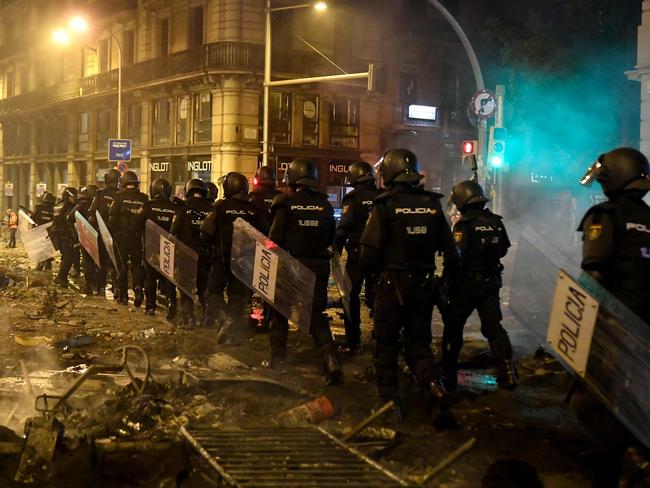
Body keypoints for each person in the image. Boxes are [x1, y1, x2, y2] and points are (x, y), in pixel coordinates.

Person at [360, 148, 458, 418]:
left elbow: (368, 252)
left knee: (385, 346)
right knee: (418, 345)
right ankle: (436, 389)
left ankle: (390, 405)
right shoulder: (433, 204)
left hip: (392, 288)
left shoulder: (385, 205)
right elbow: (452, 252)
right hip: (424, 288)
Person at [573, 147, 650, 476]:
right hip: (646, 324)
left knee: (589, 398)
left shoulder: (604, 216)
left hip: (615, 323)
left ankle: (624, 460)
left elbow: (594, 275)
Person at [266, 158, 342, 384]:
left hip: (291, 265)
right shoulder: (324, 205)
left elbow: (274, 239)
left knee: (280, 312)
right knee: (315, 315)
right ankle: (329, 359)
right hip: (318, 268)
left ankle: (277, 359)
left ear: (292, 177)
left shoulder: (285, 203)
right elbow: (331, 237)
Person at [442, 180, 516, 390]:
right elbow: (503, 250)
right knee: (493, 327)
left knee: (454, 327)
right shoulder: (496, 221)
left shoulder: (463, 225)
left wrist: (448, 285)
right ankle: (508, 372)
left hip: (467, 285)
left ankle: (448, 372)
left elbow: (455, 258)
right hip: (491, 283)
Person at [202, 172, 265, 340]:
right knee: (236, 298)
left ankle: (224, 318)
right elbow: (264, 236)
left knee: (212, 293)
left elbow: (205, 233)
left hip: (222, 260)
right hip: (245, 262)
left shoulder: (220, 207)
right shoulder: (254, 209)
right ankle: (233, 335)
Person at [335, 161, 380, 352]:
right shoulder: (381, 197)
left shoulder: (353, 199)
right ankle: (381, 340)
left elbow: (343, 228)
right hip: (379, 257)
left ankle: (353, 341)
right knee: (378, 298)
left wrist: (335, 252)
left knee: (350, 296)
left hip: (357, 257)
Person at [170, 178, 213, 328]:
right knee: (205, 286)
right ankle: (207, 317)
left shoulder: (183, 209)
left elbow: (173, 232)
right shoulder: (211, 208)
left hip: (186, 254)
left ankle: (189, 320)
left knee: (185, 287)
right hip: (206, 254)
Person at [136, 178, 178, 319]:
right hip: (168, 248)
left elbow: (136, 224)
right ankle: (171, 304)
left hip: (150, 247)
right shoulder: (175, 207)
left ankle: (150, 306)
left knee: (150, 278)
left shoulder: (148, 206)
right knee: (169, 278)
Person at [108, 171, 148, 306]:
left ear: (124, 183)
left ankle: (123, 296)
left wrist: (112, 234)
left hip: (121, 237)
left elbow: (112, 217)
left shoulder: (118, 197)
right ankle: (138, 288)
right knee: (137, 264)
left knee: (122, 265)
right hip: (137, 237)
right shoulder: (143, 198)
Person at [249, 165, 281, 328]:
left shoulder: (254, 197)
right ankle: (270, 317)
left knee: (258, 281)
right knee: (272, 282)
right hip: (276, 246)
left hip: (259, 244)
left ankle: (255, 318)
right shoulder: (280, 197)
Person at [90, 168, 121, 298]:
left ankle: (101, 287)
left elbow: (92, 212)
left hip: (101, 233)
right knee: (117, 262)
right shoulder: (121, 195)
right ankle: (117, 288)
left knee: (101, 262)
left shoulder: (100, 194)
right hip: (117, 235)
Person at [69, 185, 101, 295]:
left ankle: (90, 285)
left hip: (86, 237)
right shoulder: (100, 204)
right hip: (99, 236)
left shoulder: (82, 205)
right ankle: (100, 286)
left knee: (88, 262)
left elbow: (70, 217)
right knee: (99, 261)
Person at [52, 187, 79, 287]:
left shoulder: (58, 205)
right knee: (69, 256)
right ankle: (61, 277)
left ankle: (62, 277)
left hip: (58, 235)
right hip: (67, 235)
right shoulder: (69, 206)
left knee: (65, 256)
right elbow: (70, 221)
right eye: (74, 196)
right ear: (68, 196)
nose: (75, 199)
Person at [33, 192, 56, 270]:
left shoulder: (39, 206)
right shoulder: (54, 208)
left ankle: (40, 265)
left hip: (39, 231)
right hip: (51, 231)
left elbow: (33, 217)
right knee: (48, 248)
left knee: (40, 248)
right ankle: (48, 265)